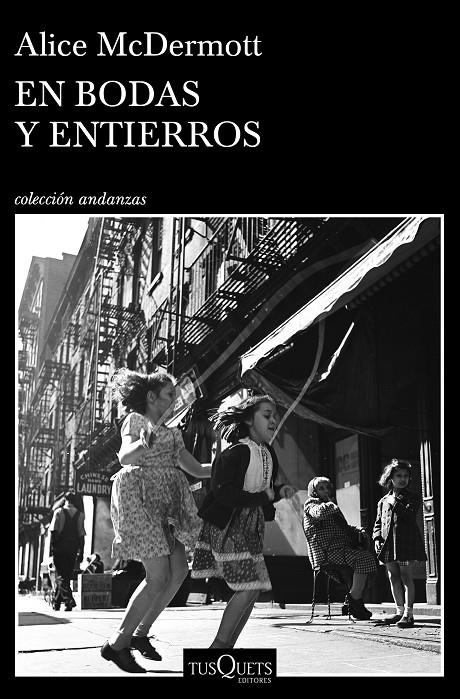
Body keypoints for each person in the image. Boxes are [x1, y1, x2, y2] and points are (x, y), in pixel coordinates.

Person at [100, 368, 212, 673]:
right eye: (169, 395)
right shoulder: (136, 421)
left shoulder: (173, 432)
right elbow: (125, 457)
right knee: (158, 576)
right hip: (140, 500)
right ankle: (117, 644)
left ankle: (140, 633)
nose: (174, 400)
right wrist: (143, 443)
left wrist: (226, 465)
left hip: (167, 503)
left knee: (179, 570)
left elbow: (196, 469)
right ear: (151, 397)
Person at [191, 394, 297, 648]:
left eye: (275, 416)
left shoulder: (268, 452)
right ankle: (218, 647)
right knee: (249, 586)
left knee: (254, 587)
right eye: (267, 415)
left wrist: (278, 491)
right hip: (228, 525)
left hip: (252, 526)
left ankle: (227, 646)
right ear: (249, 419)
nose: (273, 420)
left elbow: (264, 489)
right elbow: (223, 492)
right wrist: (262, 497)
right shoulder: (234, 452)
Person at [303, 477, 377, 620]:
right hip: (326, 553)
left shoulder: (330, 506)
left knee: (367, 562)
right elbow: (318, 513)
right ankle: (354, 599)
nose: (326, 491)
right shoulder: (311, 503)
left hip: (340, 549)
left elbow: (343, 527)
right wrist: (331, 503)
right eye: (321, 488)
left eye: (327, 487)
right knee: (365, 559)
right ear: (314, 491)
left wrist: (358, 530)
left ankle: (354, 602)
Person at [373, 458, 427, 628]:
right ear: (391, 478)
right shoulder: (383, 501)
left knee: (405, 576)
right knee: (393, 576)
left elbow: (410, 516)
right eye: (399, 476)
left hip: (404, 543)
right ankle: (399, 611)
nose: (403, 479)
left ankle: (408, 614)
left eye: (406, 476)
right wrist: (376, 538)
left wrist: (395, 502)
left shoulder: (412, 497)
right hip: (388, 545)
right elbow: (378, 523)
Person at [49, 491, 86, 612]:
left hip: (59, 548)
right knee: (66, 576)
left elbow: (53, 532)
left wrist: (52, 549)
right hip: (73, 549)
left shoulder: (58, 512)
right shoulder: (80, 515)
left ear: (65, 499)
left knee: (60, 576)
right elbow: (81, 535)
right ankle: (56, 602)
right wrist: (81, 552)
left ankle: (69, 600)